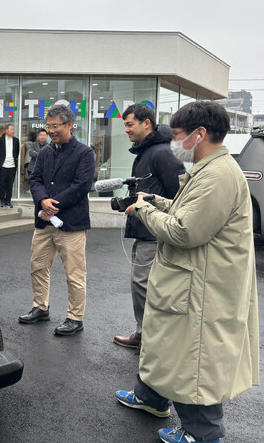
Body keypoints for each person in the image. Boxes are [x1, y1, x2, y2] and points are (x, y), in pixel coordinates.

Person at [116, 101, 259, 443]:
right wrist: (155, 201)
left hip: (203, 286)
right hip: (189, 280)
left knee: (195, 358)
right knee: (167, 344)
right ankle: (150, 397)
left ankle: (203, 433)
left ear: (200, 134)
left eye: (178, 134)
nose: (173, 142)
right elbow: (187, 211)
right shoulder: (209, 169)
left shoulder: (218, 175)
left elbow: (185, 230)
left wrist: (144, 211)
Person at [113, 103, 185, 349]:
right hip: (145, 230)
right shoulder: (147, 152)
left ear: (146, 123)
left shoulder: (161, 153)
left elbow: (179, 196)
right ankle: (146, 335)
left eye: (129, 124)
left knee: (143, 284)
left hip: (154, 233)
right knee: (142, 284)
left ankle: (149, 339)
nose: (126, 130)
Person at [19, 104, 95, 336]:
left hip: (71, 224)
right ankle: (40, 307)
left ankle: (75, 318)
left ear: (69, 124)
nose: (51, 131)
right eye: (48, 126)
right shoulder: (44, 153)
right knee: (38, 266)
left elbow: (81, 186)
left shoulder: (84, 153)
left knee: (74, 274)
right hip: (44, 223)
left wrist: (52, 206)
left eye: (55, 126)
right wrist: (42, 200)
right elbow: (35, 179)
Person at [0, 123, 19, 208]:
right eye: (11, 129)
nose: (13, 131)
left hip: (12, 166)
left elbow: (17, 153)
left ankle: (8, 200)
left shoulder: (16, 140)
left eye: (13, 129)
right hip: (3, 166)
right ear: (6, 130)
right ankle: (2, 200)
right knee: (2, 184)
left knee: (10, 184)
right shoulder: (0, 140)